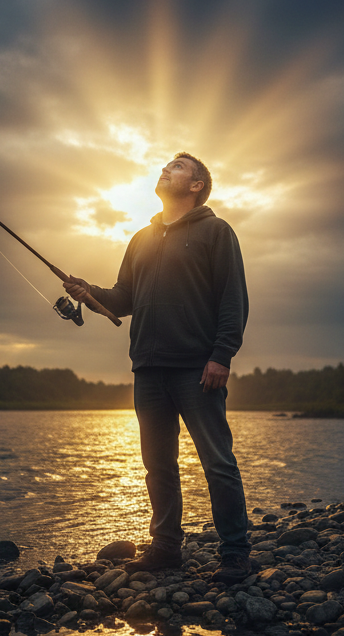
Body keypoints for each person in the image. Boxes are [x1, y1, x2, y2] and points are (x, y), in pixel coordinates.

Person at [63, 153, 253, 585]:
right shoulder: (140, 238)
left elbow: (233, 299)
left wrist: (222, 356)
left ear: (196, 186)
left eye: (178, 167)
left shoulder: (216, 232)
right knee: (157, 465)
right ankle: (165, 547)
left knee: (217, 462)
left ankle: (236, 553)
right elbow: (123, 298)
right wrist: (86, 290)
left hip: (196, 368)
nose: (166, 169)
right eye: (166, 164)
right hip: (147, 369)